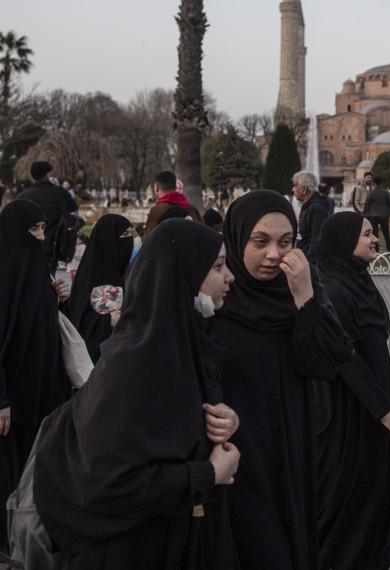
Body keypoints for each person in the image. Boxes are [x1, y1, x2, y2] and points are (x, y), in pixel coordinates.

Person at [34, 219, 241, 568]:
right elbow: (109, 482)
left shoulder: (185, 344)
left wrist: (226, 422)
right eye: (218, 266)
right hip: (132, 549)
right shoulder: (138, 361)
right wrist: (206, 475)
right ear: (183, 274)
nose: (230, 276)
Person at [210, 190, 390, 569]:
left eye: (286, 242)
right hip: (239, 455)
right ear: (237, 239)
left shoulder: (293, 297)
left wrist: (307, 300)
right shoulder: (217, 306)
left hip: (294, 450)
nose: (274, 255)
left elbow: (329, 360)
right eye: (260, 242)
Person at [314, 213, 390, 569]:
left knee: (374, 498)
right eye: (366, 234)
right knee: (353, 502)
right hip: (352, 416)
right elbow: (345, 360)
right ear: (344, 240)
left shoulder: (357, 280)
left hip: (375, 408)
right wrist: (381, 406)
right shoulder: (335, 289)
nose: (374, 240)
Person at [0, 199, 72, 552]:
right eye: (33, 229)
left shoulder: (36, 270)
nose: (41, 237)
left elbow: (43, 326)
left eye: (43, 228)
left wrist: (58, 297)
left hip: (44, 390)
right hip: (12, 397)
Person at [67, 213, 134, 362]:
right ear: (108, 239)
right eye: (124, 235)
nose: (129, 240)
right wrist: (107, 321)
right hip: (95, 357)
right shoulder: (91, 273)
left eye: (130, 234)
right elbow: (78, 316)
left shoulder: (129, 272)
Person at [16, 160, 79, 274]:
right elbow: (73, 207)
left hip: (30, 245)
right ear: (47, 175)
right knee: (50, 277)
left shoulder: (24, 195)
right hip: (54, 242)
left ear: (31, 176)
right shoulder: (59, 192)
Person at [144, 170, 202, 236]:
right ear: (174, 187)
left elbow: (148, 239)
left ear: (156, 187)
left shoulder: (157, 211)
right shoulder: (191, 208)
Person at [292, 170, 332, 264]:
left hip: (310, 266)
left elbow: (317, 241)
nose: (292, 189)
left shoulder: (315, 208)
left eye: (295, 185)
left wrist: (308, 263)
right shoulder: (307, 206)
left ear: (304, 189)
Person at [364, 175, 390, 251]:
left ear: (374, 182)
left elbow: (367, 204)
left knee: (375, 234)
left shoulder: (371, 193)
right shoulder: (386, 192)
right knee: (386, 234)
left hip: (372, 216)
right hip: (384, 215)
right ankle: (389, 251)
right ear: (381, 182)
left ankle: (376, 251)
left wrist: (365, 215)